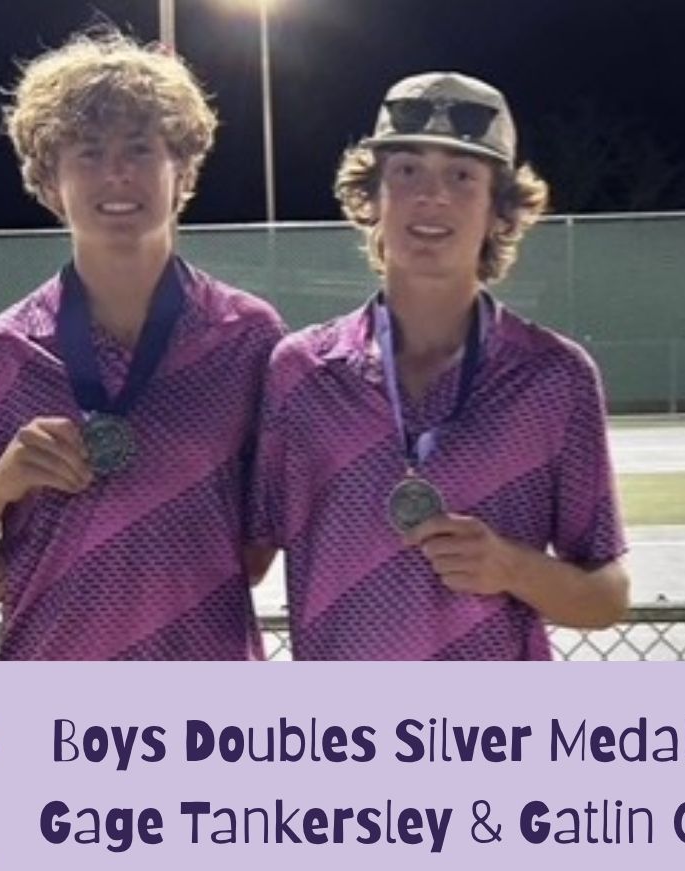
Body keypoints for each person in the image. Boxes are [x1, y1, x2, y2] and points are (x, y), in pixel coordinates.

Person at [0, 30, 281, 661]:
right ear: (49, 181)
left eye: (140, 149)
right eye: (88, 153)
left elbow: (260, 542)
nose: (117, 174)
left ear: (181, 170)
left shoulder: (249, 339)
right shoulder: (0, 355)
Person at [250, 72, 630, 661]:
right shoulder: (299, 371)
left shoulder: (556, 377)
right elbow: (242, 557)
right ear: (372, 198)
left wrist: (513, 567)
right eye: (407, 171)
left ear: (499, 211)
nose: (432, 195)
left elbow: (606, 598)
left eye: (461, 176)